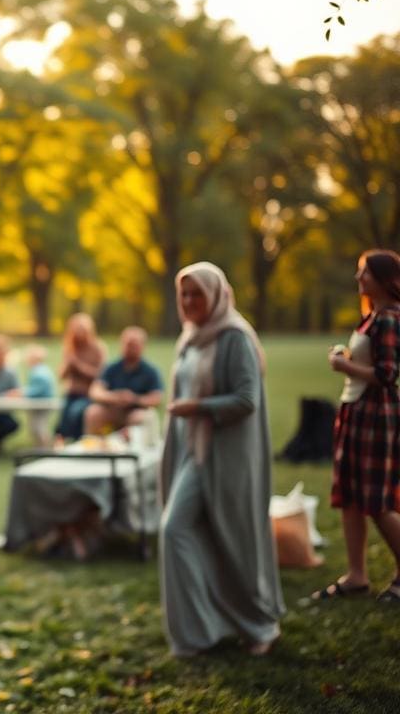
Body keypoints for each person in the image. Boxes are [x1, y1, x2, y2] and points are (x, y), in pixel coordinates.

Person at [159, 261, 284, 657]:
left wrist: (197, 406)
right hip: (194, 455)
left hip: (229, 459)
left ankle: (261, 626)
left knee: (237, 541)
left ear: (216, 294)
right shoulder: (191, 337)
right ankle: (197, 632)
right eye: (185, 293)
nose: (190, 301)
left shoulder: (234, 337)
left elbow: (247, 400)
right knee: (176, 530)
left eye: (198, 293)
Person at [312, 249, 400, 603]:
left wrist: (343, 366)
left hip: (376, 416)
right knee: (349, 497)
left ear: (382, 278)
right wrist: (346, 359)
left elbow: (387, 375)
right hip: (354, 412)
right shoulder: (370, 318)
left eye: (363, 272)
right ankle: (356, 576)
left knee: (376, 501)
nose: (358, 278)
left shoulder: (390, 319)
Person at [84, 326, 164, 436]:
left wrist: (135, 399)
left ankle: (137, 449)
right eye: (127, 344)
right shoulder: (112, 368)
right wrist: (115, 397)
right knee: (93, 413)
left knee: (145, 417)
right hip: (113, 410)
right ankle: (96, 448)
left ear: (143, 346)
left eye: (134, 345)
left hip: (136, 411)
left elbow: (157, 398)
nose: (130, 348)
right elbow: (95, 391)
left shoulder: (151, 371)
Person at [54, 313, 106, 443]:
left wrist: (79, 367)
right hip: (71, 393)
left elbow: (101, 375)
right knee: (62, 422)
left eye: (81, 330)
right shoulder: (70, 347)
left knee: (76, 413)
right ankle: (64, 443)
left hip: (89, 394)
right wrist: (68, 365)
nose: (78, 335)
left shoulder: (97, 348)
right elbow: (61, 376)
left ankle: (79, 441)